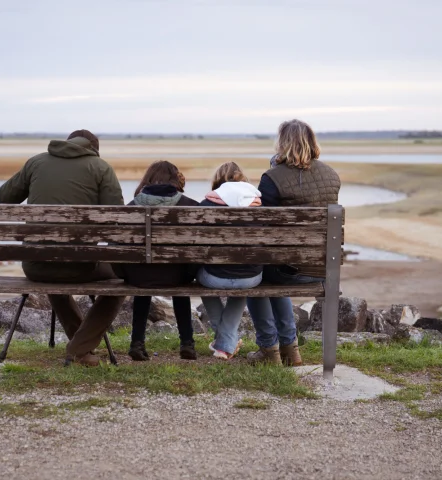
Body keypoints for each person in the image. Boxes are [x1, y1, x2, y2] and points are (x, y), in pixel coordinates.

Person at [0, 129, 126, 367]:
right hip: (82, 266)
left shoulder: (35, 163)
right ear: (93, 148)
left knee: (53, 270)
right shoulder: (100, 167)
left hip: (36, 266)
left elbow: (4, 197)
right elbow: (115, 217)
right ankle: (80, 346)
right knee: (124, 280)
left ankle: (79, 346)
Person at [247, 119, 341, 366]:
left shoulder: (272, 178)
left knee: (255, 276)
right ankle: (291, 352)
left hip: (286, 270)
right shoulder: (331, 175)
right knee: (277, 271)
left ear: (282, 143)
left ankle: (270, 351)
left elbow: (261, 227)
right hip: (321, 270)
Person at [113, 161, 199, 361]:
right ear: (175, 180)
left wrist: (125, 273)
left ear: (147, 179)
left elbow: (117, 244)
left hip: (139, 275)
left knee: (144, 277)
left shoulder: (131, 207)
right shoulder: (191, 206)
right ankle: (187, 343)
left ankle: (137, 342)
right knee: (180, 278)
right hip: (178, 275)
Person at [197, 162, 263, 359]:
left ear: (218, 182)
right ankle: (226, 344)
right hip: (251, 278)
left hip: (213, 277)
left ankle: (226, 342)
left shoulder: (206, 205)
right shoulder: (260, 205)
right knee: (242, 279)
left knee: (198, 278)